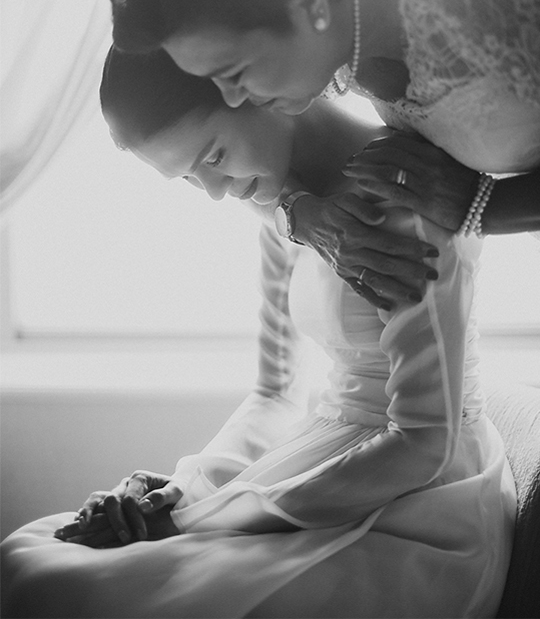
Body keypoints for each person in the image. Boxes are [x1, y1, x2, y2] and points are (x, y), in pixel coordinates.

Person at [1, 48, 516, 619]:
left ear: (258, 90)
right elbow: (275, 391)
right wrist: (180, 486)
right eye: (191, 179)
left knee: (74, 589)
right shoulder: (285, 202)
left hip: (421, 502)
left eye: (214, 155)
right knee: (31, 557)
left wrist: (194, 517)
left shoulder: (404, 195)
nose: (218, 190)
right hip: (316, 461)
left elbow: (425, 442)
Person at [106, 0, 540, 308]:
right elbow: (242, 165)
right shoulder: (339, 21)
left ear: (308, 4)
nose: (233, 99)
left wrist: (481, 205)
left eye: (232, 74)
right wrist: (303, 213)